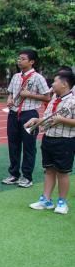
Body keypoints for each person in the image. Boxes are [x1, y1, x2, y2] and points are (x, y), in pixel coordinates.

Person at [26, 69, 75, 214]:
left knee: (63, 172)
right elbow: (49, 118)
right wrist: (37, 120)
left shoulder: (73, 100)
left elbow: (61, 119)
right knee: (49, 170)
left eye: (55, 81)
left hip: (65, 140)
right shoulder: (54, 98)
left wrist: (62, 120)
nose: (52, 84)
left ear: (64, 84)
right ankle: (46, 200)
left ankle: (62, 202)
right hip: (48, 138)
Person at [3, 49, 50, 188]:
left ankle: (27, 176)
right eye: (19, 58)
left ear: (31, 62)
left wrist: (29, 94)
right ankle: (14, 174)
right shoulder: (16, 76)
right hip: (13, 114)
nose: (19, 61)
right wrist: (9, 99)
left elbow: (47, 96)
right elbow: (10, 93)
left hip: (29, 114)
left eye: (23, 59)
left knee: (29, 146)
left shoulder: (38, 78)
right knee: (13, 144)